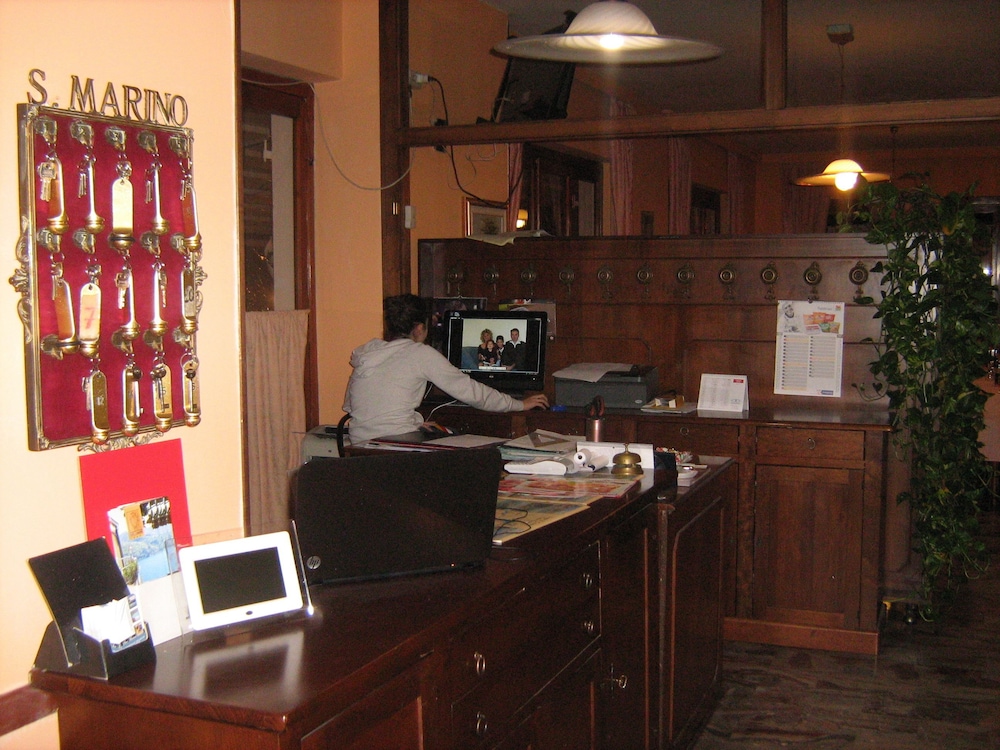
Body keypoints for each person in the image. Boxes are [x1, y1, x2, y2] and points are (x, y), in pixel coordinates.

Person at [343, 295, 548, 443]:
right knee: (472, 444)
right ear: (420, 328)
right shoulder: (419, 353)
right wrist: (519, 404)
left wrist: (413, 423)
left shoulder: (369, 353)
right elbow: (472, 392)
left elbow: (352, 406)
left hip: (359, 445)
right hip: (395, 446)